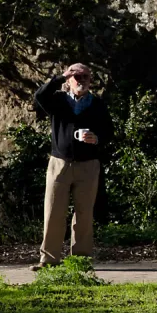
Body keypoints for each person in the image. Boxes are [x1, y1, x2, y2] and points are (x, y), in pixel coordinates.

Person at [34, 62, 113, 269]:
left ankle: (81, 260)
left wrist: (96, 138)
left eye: (85, 76)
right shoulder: (57, 101)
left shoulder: (97, 104)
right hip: (59, 163)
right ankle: (49, 260)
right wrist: (60, 77)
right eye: (76, 77)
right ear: (68, 80)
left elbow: (109, 131)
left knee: (84, 213)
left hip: (88, 166)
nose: (81, 81)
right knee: (53, 211)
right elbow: (39, 96)